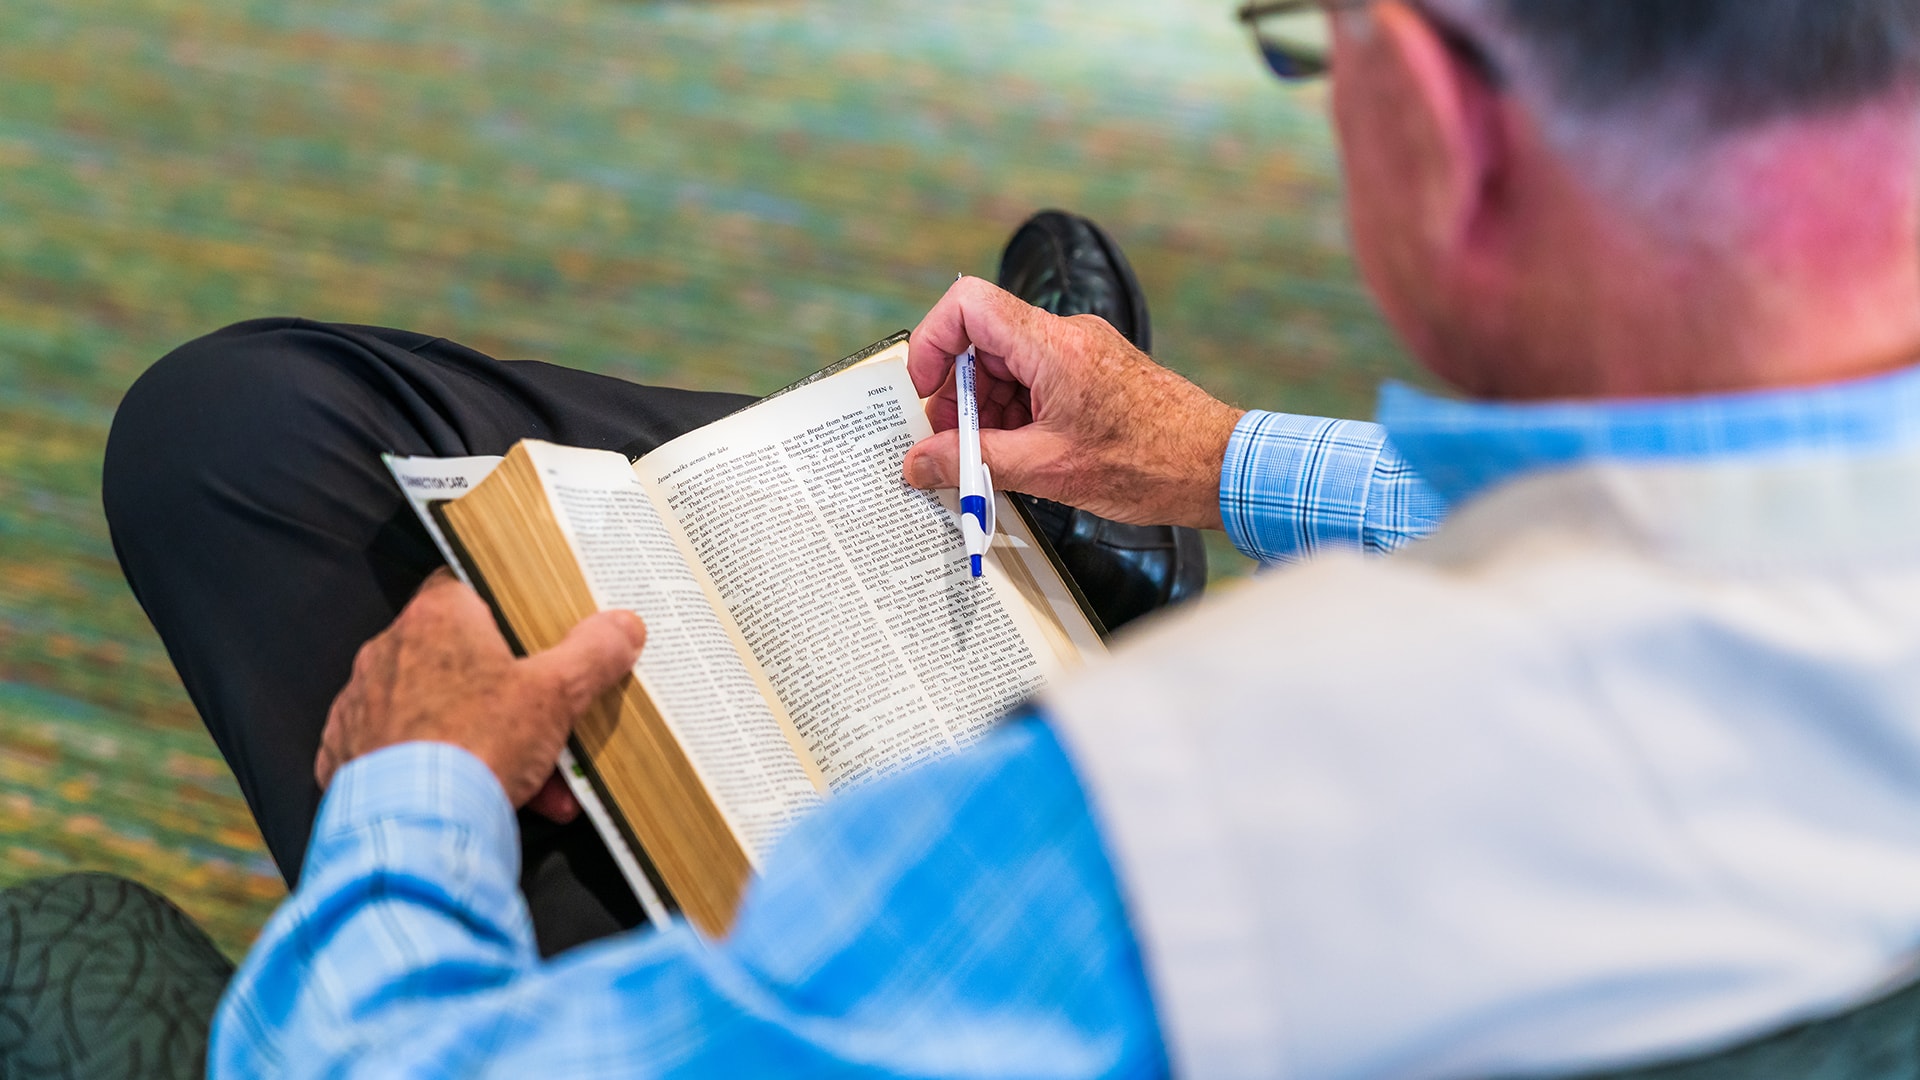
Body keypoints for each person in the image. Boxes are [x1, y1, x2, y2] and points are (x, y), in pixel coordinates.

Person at [98, 0, 1920, 1076]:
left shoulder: (1181, 814)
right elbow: (1715, 496)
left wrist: (409, 802)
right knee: (258, 425)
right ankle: (1085, 560)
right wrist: (1209, 456)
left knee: (239, 454)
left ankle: (1061, 605)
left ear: (1445, 127)